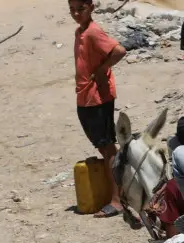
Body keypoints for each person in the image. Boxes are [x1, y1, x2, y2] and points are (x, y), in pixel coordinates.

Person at [69, 0, 126, 218]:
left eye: (80, 9)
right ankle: (119, 192)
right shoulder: (80, 32)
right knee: (105, 147)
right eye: (72, 9)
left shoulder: (93, 32)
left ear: (91, 7)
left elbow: (119, 50)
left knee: (108, 149)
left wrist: (103, 70)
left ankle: (117, 200)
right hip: (86, 96)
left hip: (97, 97)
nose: (76, 13)